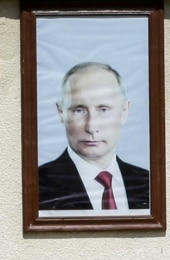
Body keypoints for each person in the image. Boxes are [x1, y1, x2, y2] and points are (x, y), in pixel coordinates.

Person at [38, 62, 149, 211]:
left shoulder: (148, 183)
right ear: (61, 113)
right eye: (78, 110)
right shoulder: (37, 185)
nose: (91, 127)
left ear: (124, 112)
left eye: (103, 109)